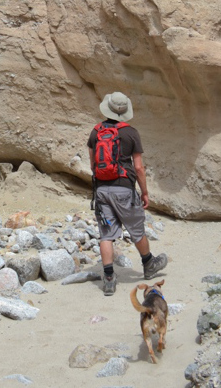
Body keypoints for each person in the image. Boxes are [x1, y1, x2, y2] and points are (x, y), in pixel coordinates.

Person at [87, 91, 167, 296]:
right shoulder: (131, 133)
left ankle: (109, 279)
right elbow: (139, 167)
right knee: (136, 229)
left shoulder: (96, 132)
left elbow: (93, 164)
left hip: (102, 190)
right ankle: (149, 264)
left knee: (107, 235)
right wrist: (145, 192)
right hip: (124, 190)